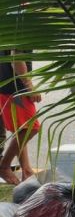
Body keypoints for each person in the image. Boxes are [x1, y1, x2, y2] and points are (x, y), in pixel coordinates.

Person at [0, 49, 42, 184]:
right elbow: (16, 56)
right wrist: (29, 86)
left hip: (6, 86)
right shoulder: (21, 27)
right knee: (31, 128)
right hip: (15, 88)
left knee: (21, 129)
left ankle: (27, 171)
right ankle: (4, 165)